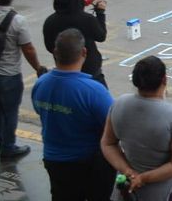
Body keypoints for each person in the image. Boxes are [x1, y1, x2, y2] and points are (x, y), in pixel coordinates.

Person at [32, 29, 114, 200]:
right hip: (88, 162)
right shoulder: (93, 91)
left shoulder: (41, 84)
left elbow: (40, 111)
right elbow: (113, 126)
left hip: (54, 160)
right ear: (84, 52)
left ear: (55, 53)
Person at [101, 56, 172, 200]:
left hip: (127, 188)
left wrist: (127, 171)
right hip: (165, 191)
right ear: (164, 79)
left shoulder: (119, 104)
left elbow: (108, 144)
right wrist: (143, 178)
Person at [0, 0, 46, 160]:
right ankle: (8, 146)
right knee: (10, 111)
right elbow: (28, 49)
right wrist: (38, 67)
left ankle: (0, 140)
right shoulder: (18, 21)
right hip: (9, 74)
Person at [43, 0, 109, 87]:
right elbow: (101, 36)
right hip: (90, 72)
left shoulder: (50, 21)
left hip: (63, 71)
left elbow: (49, 46)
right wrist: (100, 13)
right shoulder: (87, 19)